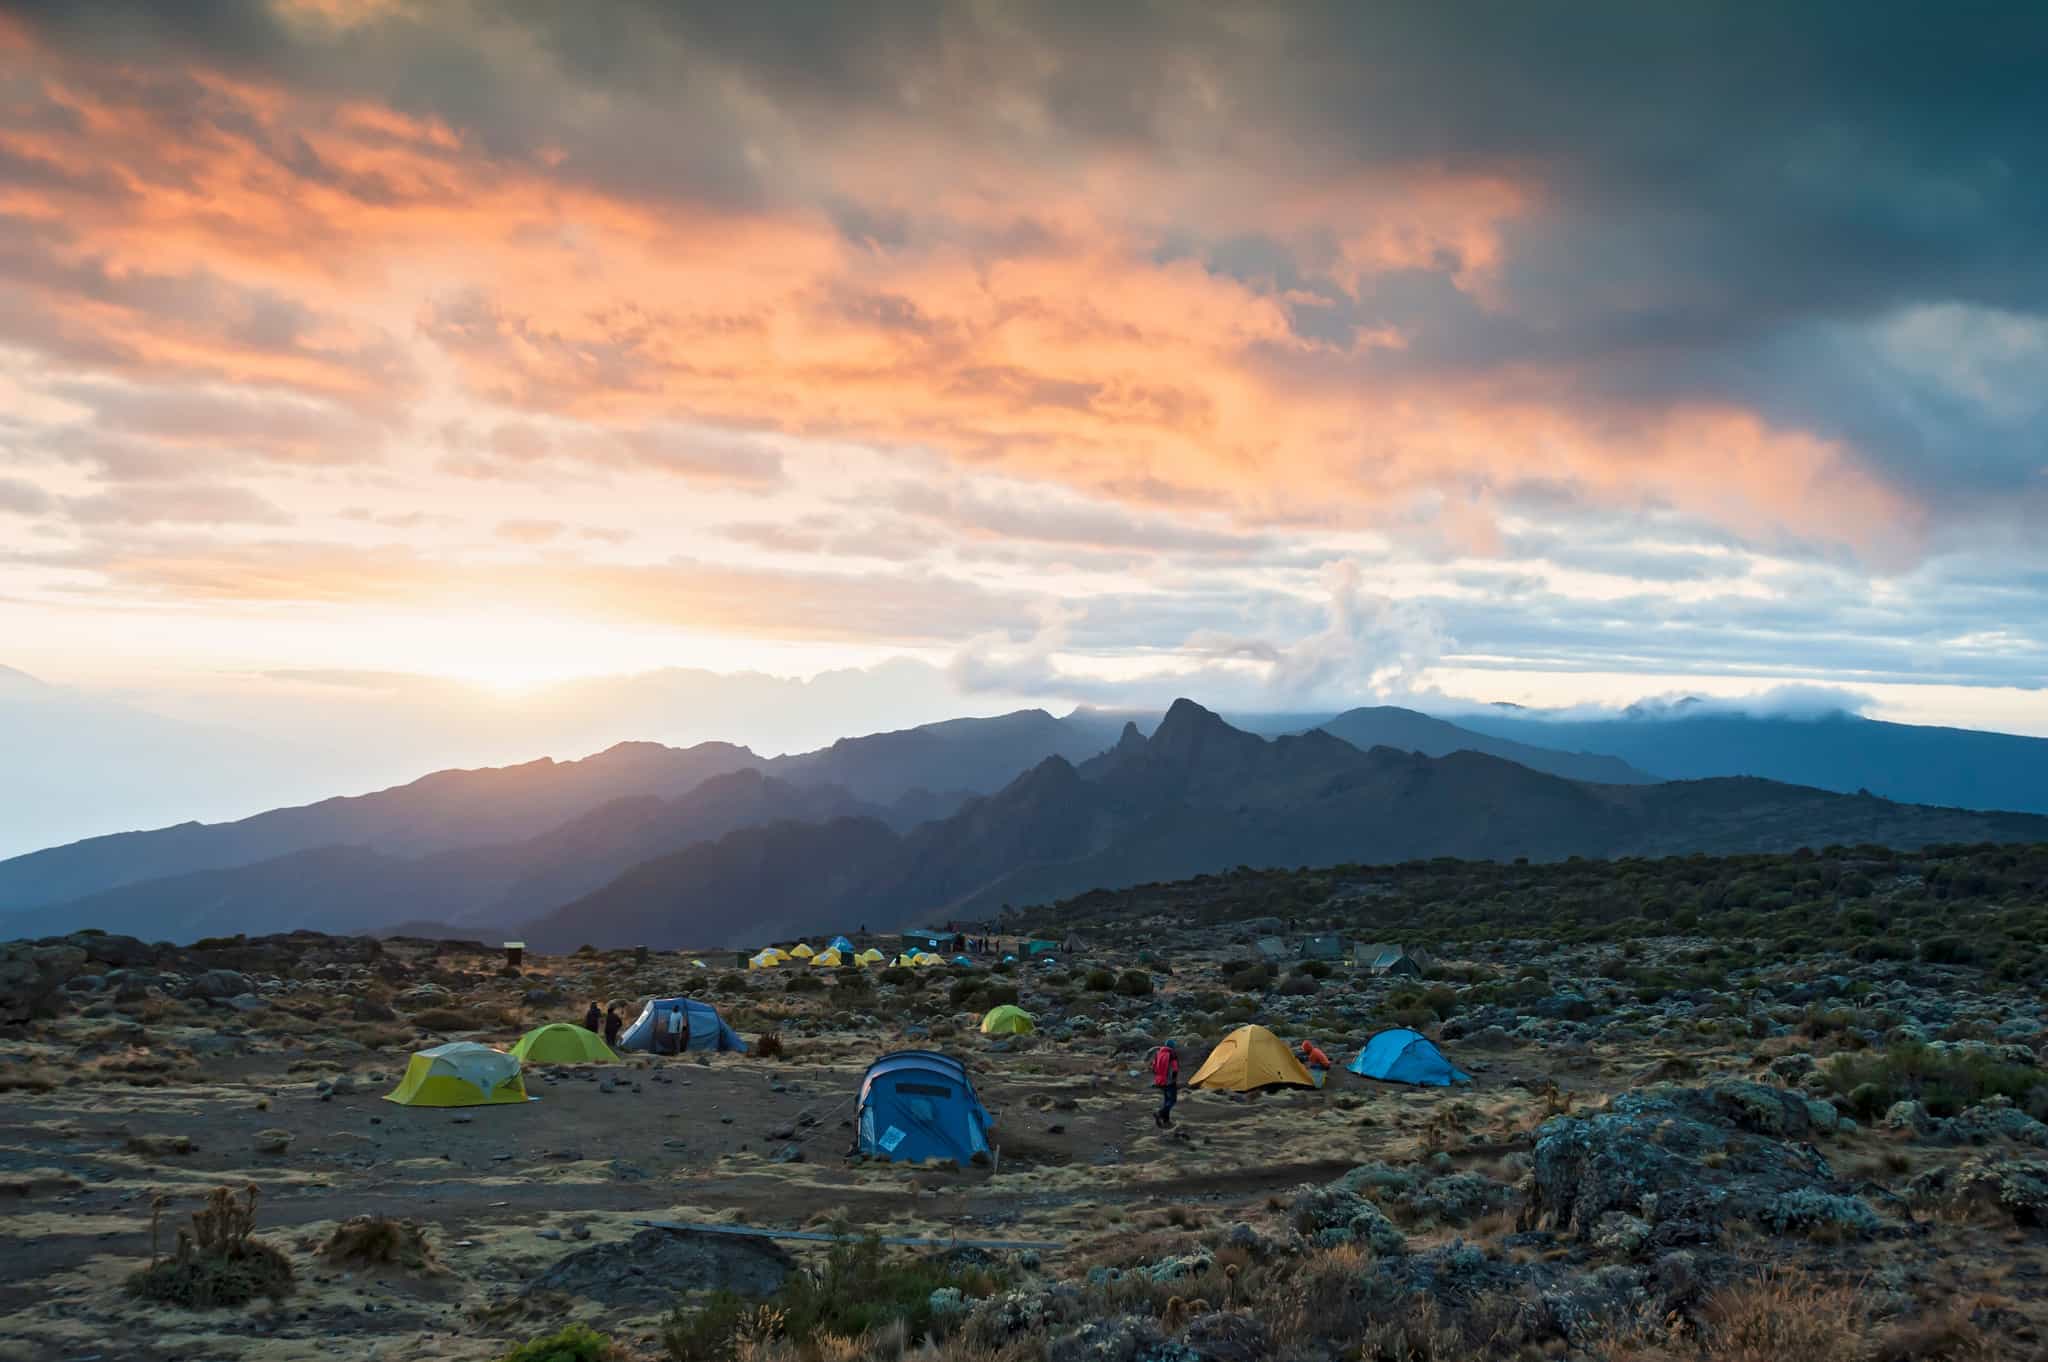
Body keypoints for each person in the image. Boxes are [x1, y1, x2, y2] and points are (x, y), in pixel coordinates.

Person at [1151, 1039, 1181, 1128]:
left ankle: (1166, 1120)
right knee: (1172, 1100)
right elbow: (1175, 1068)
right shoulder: (1172, 1054)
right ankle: (1159, 1113)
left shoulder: (1158, 1053)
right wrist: (1174, 1079)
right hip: (1169, 1081)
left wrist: (1158, 1076)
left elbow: (1153, 1067)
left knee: (1166, 1100)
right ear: (1172, 1046)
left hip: (1160, 1080)